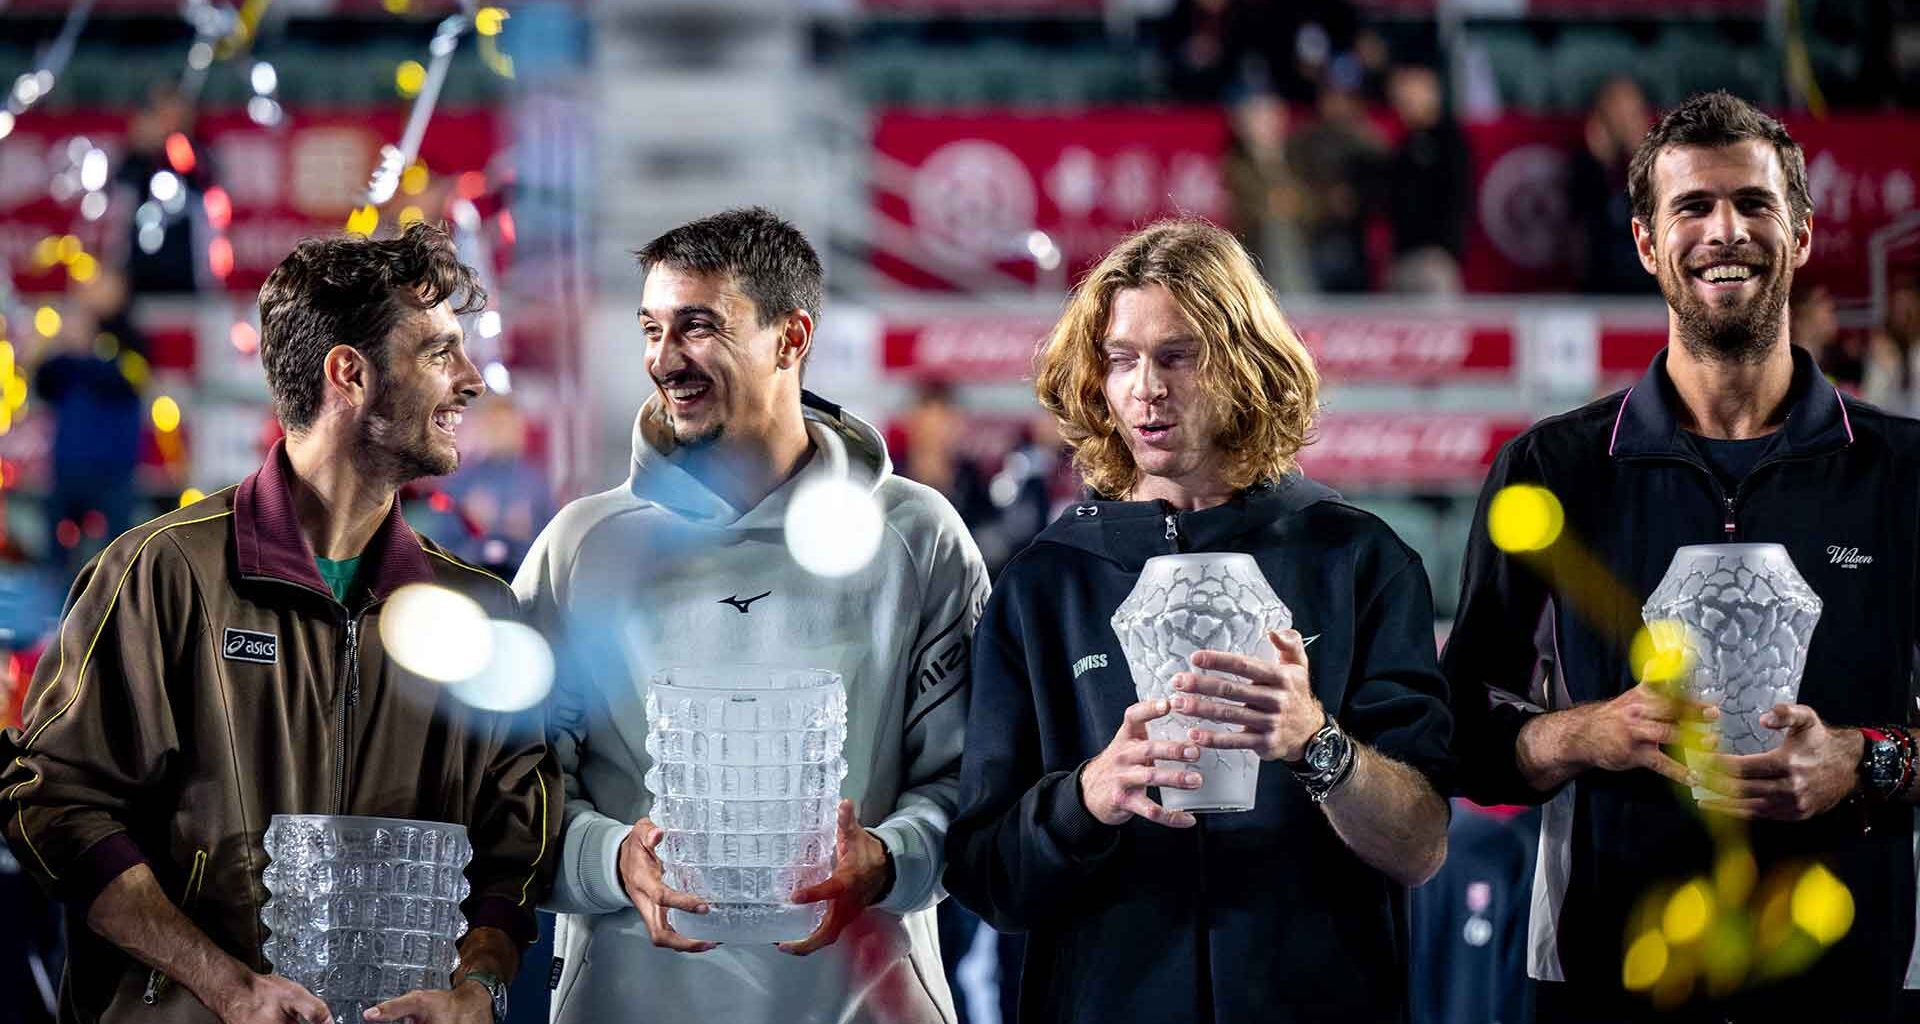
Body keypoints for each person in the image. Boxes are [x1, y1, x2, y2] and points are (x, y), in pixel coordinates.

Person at [0, 222, 558, 1024]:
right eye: (439, 352)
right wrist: (225, 986)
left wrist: (479, 987)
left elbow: (517, 842)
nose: (472, 379)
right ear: (349, 373)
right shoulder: (162, 574)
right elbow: (49, 803)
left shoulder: (476, 607)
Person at [1445, 91, 1920, 1022]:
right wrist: (1582, 733)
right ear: (1647, 243)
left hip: (1850, 987)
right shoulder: (1551, 471)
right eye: (1692, 208)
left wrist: (1864, 759)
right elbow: (1458, 732)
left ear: (1804, 234)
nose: (1725, 231)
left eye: (1752, 204)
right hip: (1609, 982)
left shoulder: (1903, 472)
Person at [943, 218, 1452, 1023]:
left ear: (1245, 364)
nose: (1145, 387)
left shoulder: (1356, 560)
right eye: (1120, 359)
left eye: (1177, 356)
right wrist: (1086, 797)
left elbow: (1420, 844)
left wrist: (1315, 742)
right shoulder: (1047, 584)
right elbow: (983, 877)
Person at [517, 207, 989, 1024]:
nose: (665, 359)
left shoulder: (917, 538)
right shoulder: (578, 549)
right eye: (651, 329)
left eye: (697, 327)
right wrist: (611, 858)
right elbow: (512, 795)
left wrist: (884, 860)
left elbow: (975, 786)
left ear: (791, 337)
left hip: (868, 1005)